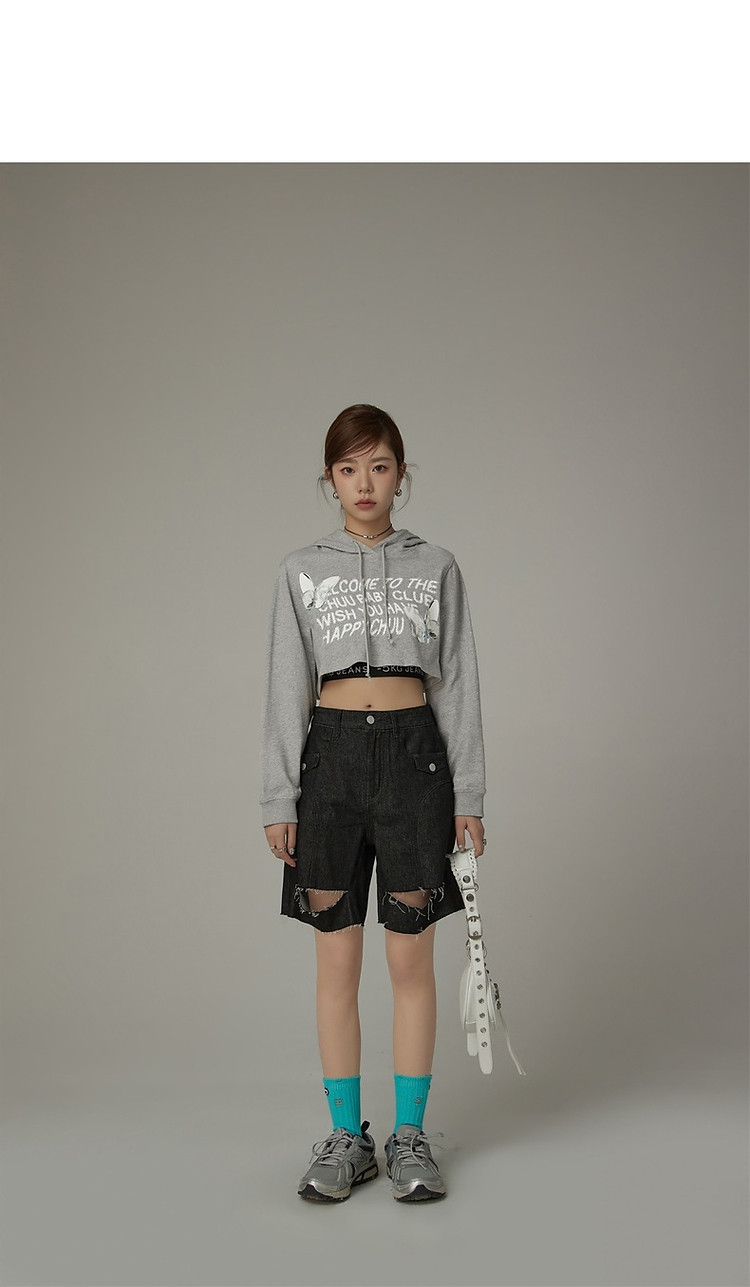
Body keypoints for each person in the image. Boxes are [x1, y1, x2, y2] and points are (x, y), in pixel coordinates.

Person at [261, 403, 486, 1202]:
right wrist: (279, 793)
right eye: (349, 468)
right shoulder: (300, 570)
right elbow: (286, 686)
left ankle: (410, 1134)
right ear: (330, 478)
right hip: (330, 765)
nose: (365, 482)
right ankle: (345, 1137)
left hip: (414, 760)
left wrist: (470, 791)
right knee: (337, 959)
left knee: (409, 957)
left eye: (380, 466)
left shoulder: (437, 566)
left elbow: (457, 684)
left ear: (401, 475)